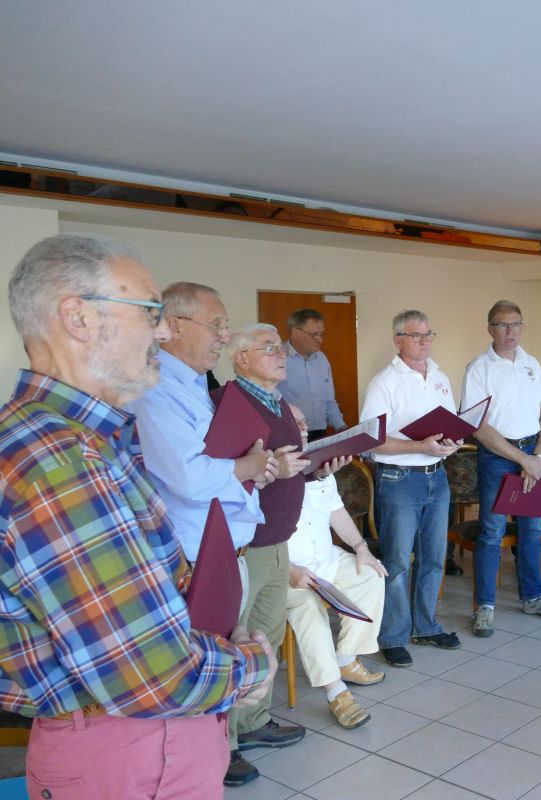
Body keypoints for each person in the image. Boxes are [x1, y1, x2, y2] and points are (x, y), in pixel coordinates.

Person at [1, 234, 274, 798]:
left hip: (134, 743)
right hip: (133, 751)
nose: (163, 332)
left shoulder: (74, 438)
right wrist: (252, 663)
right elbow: (156, 675)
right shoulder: (62, 463)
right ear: (78, 317)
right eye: (151, 311)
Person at [127, 281, 285, 786]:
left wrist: (254, 468)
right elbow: (189, 476)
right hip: (194, 556)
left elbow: (219, 461)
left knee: (227, 653)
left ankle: (218, 753)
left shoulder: (196, 385)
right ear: (174, 326)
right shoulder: (155, 388)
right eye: (216, 326)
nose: (223, 336)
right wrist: (246, 467)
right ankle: (203, 766)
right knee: (201, 665)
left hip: (225, 546)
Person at [217, 323, 312, 783]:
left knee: (266, 638)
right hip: (243, 545)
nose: (281, 354)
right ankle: (224, 744)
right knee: (235, 642)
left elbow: (287, 465)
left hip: (278, 540)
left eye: (281, 348)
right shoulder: (228, 404)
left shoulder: (279, 404)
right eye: (269, 348)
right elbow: (221, 473)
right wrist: (274, 468)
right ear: (241, 358)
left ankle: (253, 722)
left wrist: (315, 467)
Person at [360, 310, 463, 667]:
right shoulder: (383, 382)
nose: (424, 340)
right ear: (398, 340)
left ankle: (426, 626)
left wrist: (451, 442)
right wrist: (419, 446)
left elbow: (449, 425)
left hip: (437, 476)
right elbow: (371, 440)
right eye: (415, 335)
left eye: (428, 333)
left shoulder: (440, 376)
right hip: (399, 480)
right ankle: (393, 636)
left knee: (434, 557)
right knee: (398, 561)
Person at [460, 300, 541, 637]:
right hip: (497, 456)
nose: (510, 331)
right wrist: (524, 460)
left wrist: (537, 457)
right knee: (492, 532)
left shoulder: (532, 363)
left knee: (532, 530)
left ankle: (533, 597)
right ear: (490, 329)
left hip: (532, 453)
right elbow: (478, 427)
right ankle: (484, 607)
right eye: (503, 325)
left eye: (516, 324)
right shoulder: (479, 368)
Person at [284, 406, 387, 730]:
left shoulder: (319, 465)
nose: (304, 425)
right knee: (309, 608)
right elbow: (255, 538)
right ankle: (336, 692)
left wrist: (361, 548)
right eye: (295, 421)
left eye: (304, 420)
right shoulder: (267, 473)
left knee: (371, 574)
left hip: (326, 559)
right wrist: (288, 569)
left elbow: (336, 512)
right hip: (287, 571)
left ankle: (345, 659)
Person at [278, 308, 346, 440]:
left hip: (320, 434)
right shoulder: (278, 358)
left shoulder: (322, 359)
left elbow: (329, 401)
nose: (320, 340)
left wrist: (342, 427)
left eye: (322, 334)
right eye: (315, 335)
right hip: (289, 435)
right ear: (296, 333)